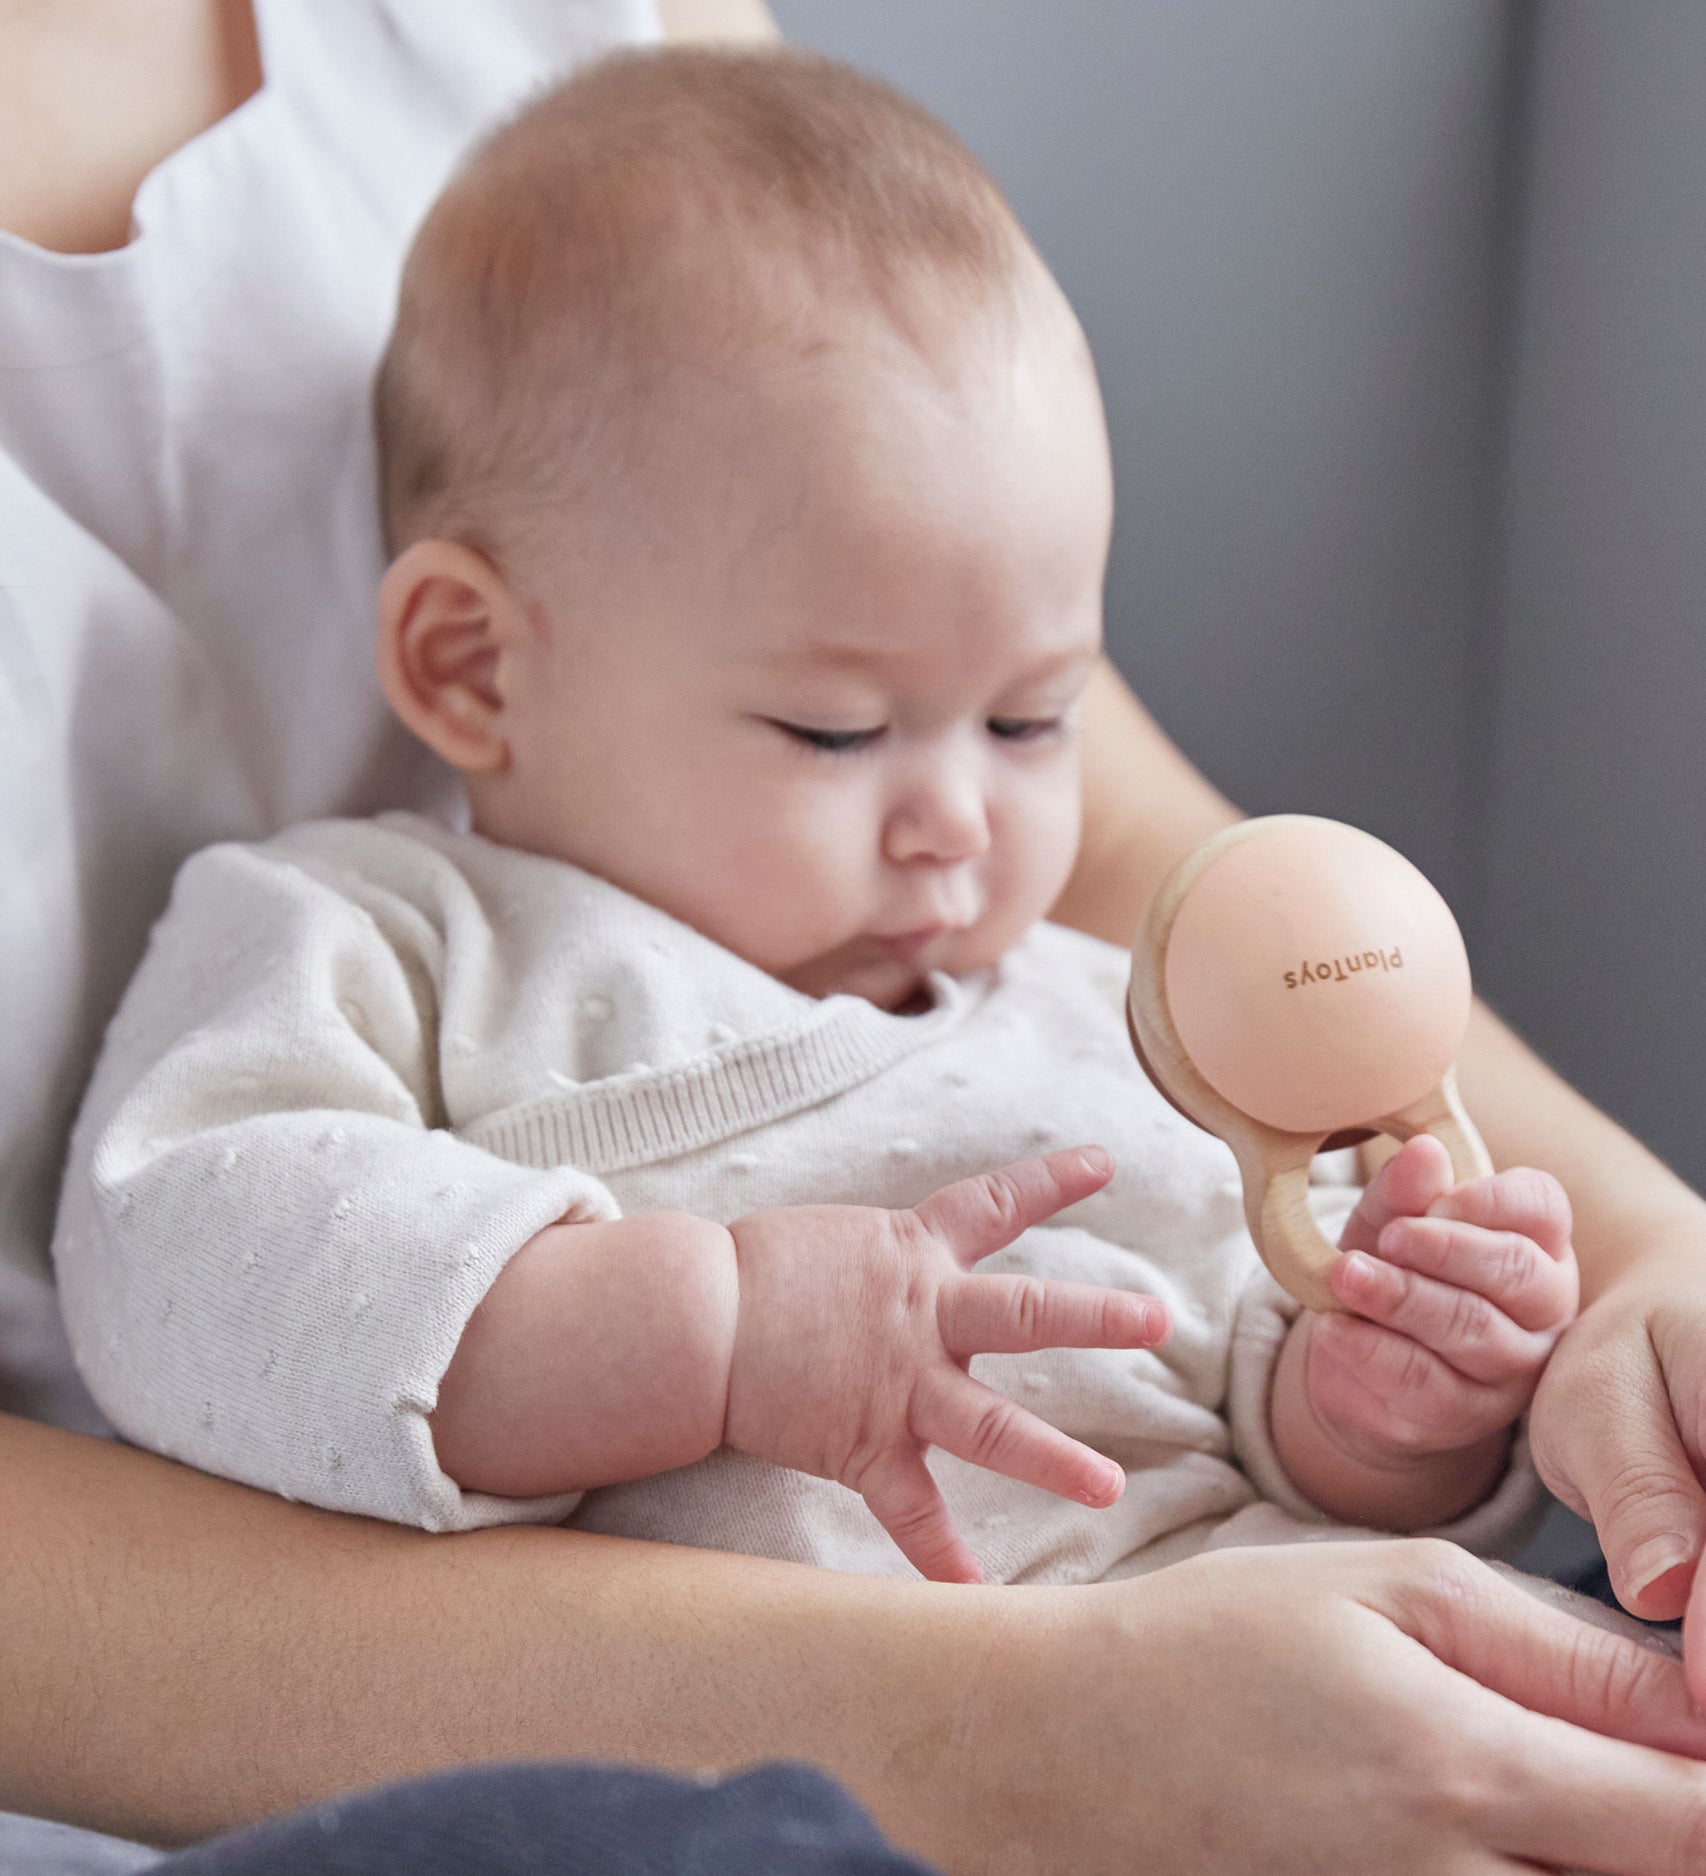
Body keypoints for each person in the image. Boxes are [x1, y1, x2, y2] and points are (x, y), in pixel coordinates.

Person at [7, 3, 1706, 1873]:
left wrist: (1389, 1392)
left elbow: (1220, 1391)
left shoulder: (1071, 1007)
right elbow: (190, 1257)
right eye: (835, 731)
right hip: (733, 1767)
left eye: (1029, 717)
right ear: (475, 665)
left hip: (1279, 1709)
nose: (962, 822)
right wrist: (699, 1328)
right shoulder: (387, 937)